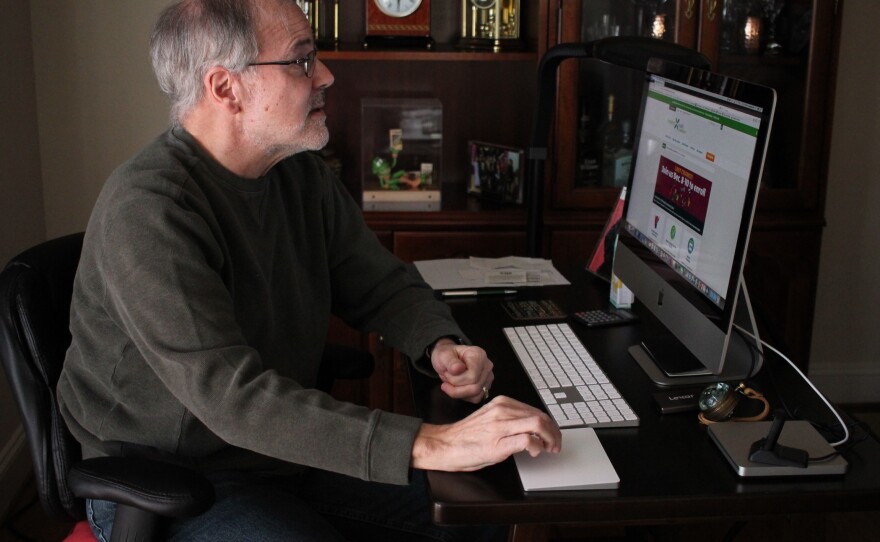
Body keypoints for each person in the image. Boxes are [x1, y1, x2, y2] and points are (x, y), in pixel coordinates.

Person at [56, 1, 562, 540]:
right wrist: (433, 442)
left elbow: (379, 284)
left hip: (277, 452)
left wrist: (438, 342)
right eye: (300, 61)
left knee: (480, 505)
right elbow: (234, 399)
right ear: (226, 88)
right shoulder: (150, 212)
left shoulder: (298, 174)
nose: (324, 75)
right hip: (175, 479)